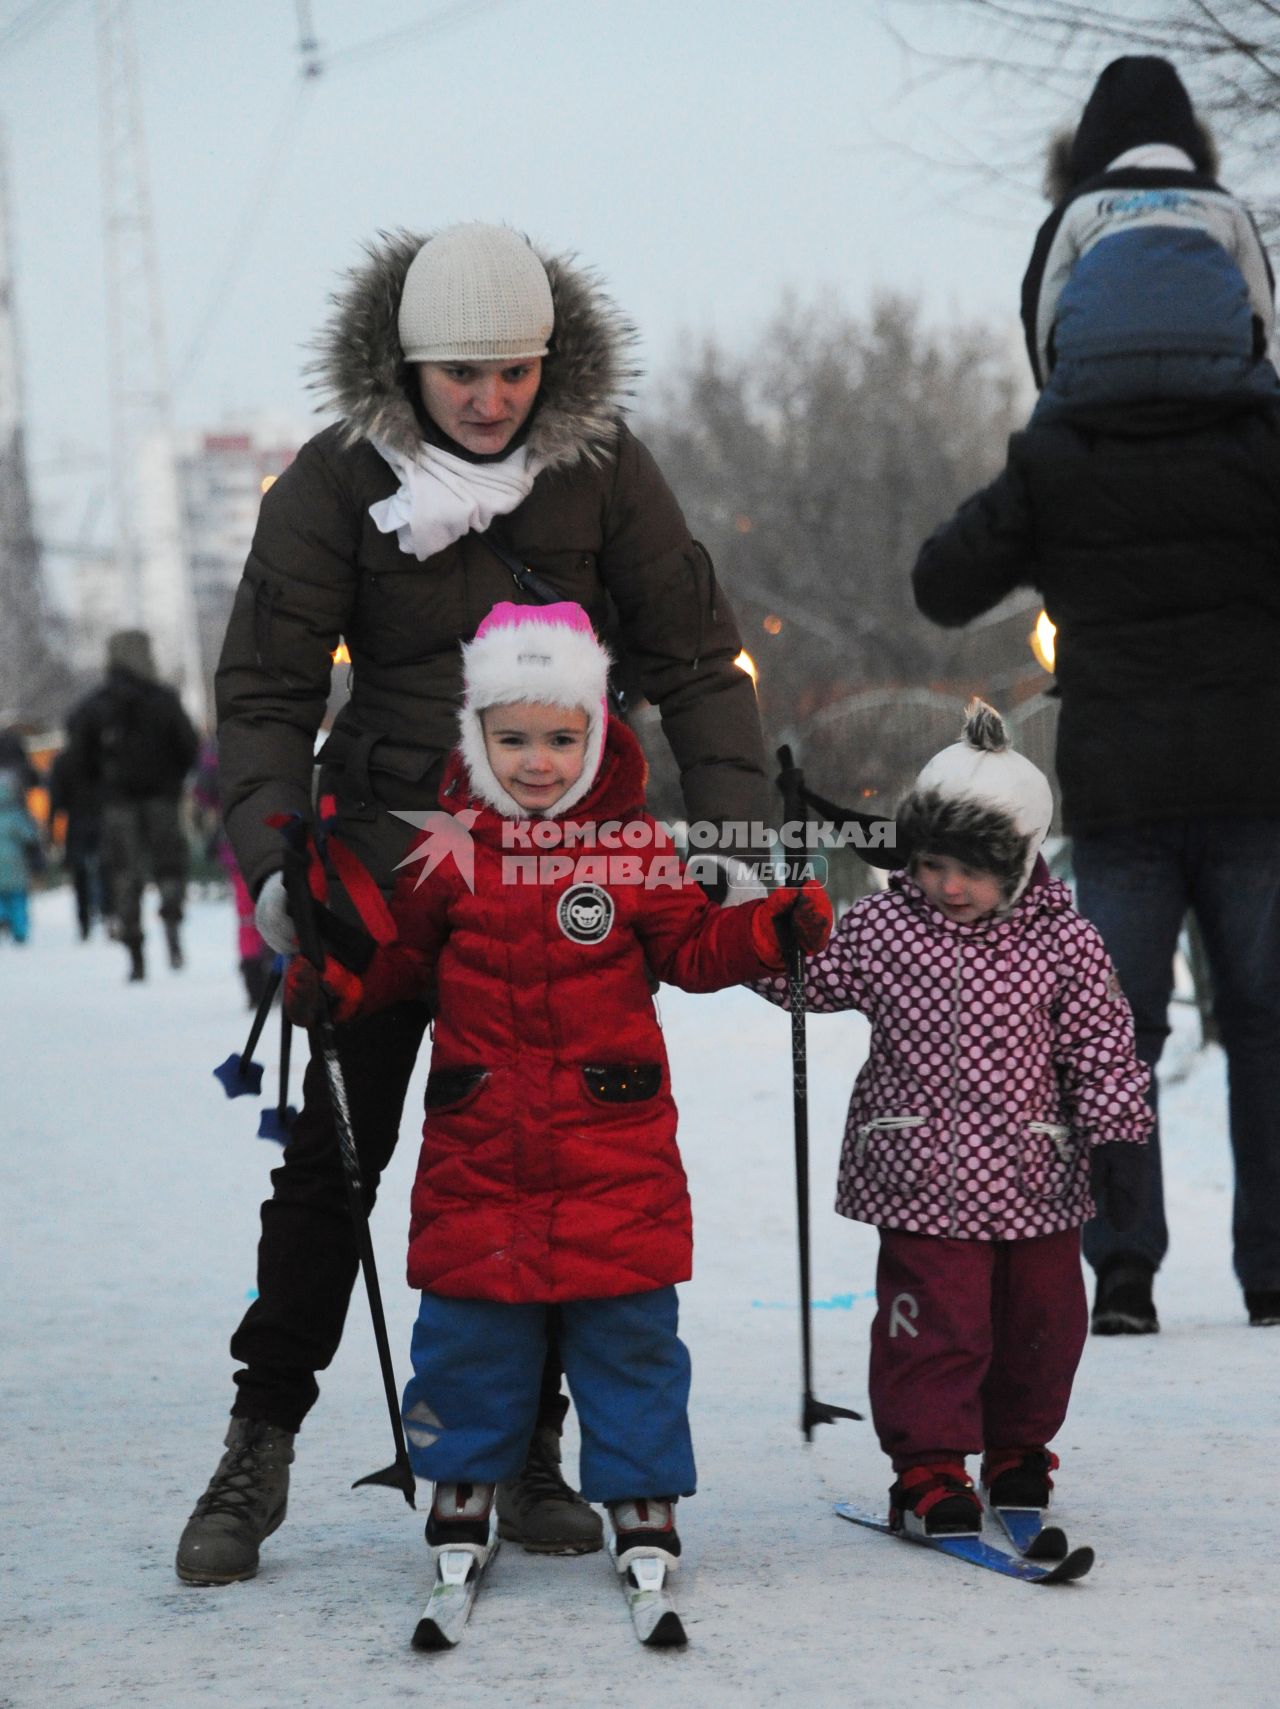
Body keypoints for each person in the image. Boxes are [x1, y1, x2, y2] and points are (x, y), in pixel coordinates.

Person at [180, 222, 771, 1585]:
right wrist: (278, 866)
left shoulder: (606, 468)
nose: (490, 398)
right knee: (335, 1161)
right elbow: (266, 685)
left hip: (561, 868)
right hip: (388, 866)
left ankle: (526, 1447)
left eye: (512, 371)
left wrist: (733, 830)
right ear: (409, 361)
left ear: (546, 363)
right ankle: (259, 1434)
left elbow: (697, 655)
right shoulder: (334, 478)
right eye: (462, 373)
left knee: (553, 1154)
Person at [267, 601, 828, 1597]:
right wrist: (342, 984)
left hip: (612, 1141)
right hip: (481, 1138)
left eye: (560, 737)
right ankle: (462, 1477)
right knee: (471, 1327)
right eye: (512, 737)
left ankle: (641, 1486)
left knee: (628, 1327)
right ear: (476, 737)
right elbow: (399, 957)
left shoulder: (634, 848)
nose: (537, 760)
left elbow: (689, 948)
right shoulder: (446, 845)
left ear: (597, 734)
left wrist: (761, 931)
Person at [915, 87, 1280, 1337]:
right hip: (1258, 776)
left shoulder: (1056, 454)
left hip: (1121, 781)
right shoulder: (1265, 437)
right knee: (1268, 1022)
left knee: (1108, 1034)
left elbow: (938, 579)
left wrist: (1044, 487)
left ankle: (1119, 1269)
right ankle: (1273, 1270)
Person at [752, 702, 1151, 1534]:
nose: (950, 886)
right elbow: (806, 982)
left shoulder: (1066, 942)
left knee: (1043, 1324)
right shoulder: (887, 927)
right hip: (922, 1176)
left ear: (1024, 860)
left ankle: (1017, 1448)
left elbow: (1103, 1041)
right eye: (933, 864)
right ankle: (928, 1465)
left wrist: (1118, 1138)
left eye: (974, 869)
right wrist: (769, 928)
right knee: (933, 1324)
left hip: (1036, 1176)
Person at [1023, 55, 1278, 422]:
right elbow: (1261, 316)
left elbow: (1042, 318)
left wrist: (1056, 402)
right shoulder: (1226, 208)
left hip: (1097, 396)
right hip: (1219, 399)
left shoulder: (1076, 209)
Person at [64, 630, 198, 981]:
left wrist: (101, 788)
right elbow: (189, 748)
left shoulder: (96, 705)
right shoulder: (164, 699)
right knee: (170, 868)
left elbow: (78, 759)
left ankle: (135, 952)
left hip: (117, 805)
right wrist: (171, 779)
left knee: (125, 874)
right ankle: (172, 927)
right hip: (162, 801)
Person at [48, 741, 109, 941]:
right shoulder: (103, 756)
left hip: (76, 821)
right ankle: (109, 912)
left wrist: (51, 827)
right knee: (107, 867)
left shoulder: (63, 761)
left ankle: (84, 921)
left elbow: (56, 798)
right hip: (103, 818)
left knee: (80, 873)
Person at [0, 768, 41, 944]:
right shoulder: (17, 814)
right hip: (16, 864)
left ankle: (2, 918)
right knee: (17, 898)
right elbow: (29, 836)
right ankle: (20, 930)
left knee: (1, 896)